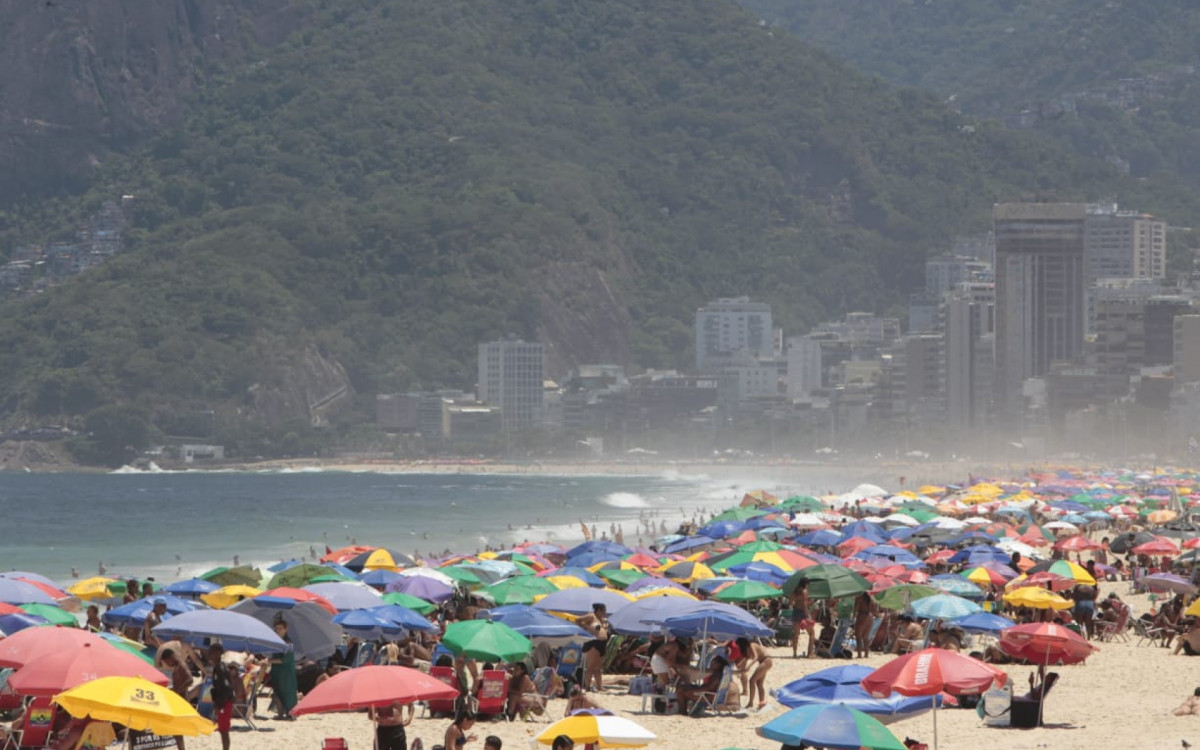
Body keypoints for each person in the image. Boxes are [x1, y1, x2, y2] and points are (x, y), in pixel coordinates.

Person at [208, 644, 241, 750]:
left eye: (212, 652)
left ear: (219, 653)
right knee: (222, 729)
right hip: (224, 701)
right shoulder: (218, 667)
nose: (210, 654)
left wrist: (220, 704)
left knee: (224, 730)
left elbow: (226, 687)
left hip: (224, 702)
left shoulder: (220, 668)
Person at [268, 620, 298, 719]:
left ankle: (291, 713)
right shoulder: (275, 641)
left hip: (286, 672)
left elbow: (285, 659)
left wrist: (269, 661)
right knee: (277, 691)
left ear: (286, 629)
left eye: (280, 628)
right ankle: (280, 714)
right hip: (277, 671)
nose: (278, 630)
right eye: (276, 628)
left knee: (288, 692)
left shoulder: (288, 643)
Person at [162, 649, 191, 750]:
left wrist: (177, 690)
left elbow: (190, 680)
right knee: (176, 730)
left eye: (166, 662)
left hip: (181, 700)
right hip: (178, 699)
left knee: (177, 729)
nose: (167, 664)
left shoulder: (181, 665)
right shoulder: (177, 667)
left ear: (171, 657)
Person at [735, 637, 772, 711]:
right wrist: (740, 664)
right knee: (759, 683)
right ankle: (761, 703)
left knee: (752, 680)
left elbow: (756, 657)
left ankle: (750, 703)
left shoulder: (751, 645)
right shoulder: (748, 649)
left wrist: (748, 666)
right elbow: (747, 657)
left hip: (766, 660)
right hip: (765, 661)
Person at [789, 583, 816, 659]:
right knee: (811, 633)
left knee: (796, 634)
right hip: (803, 612)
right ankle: (810, 653)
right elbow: (804, 604)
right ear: (806, 584)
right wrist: (807, 615)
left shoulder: (795, 592)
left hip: (795, 612)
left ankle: (794, 654)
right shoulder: (804, 591)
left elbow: (790, 602)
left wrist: (797, 603)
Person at [853, 590, 875, 658]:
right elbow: (874, 610)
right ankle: (866, 654)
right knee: (866, 637)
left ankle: (859, 654)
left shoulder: (859, 598)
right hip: (870, 617)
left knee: (858, 636)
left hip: (862, 617)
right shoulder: (871, 599)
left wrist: (853, 617)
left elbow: (856, 609)